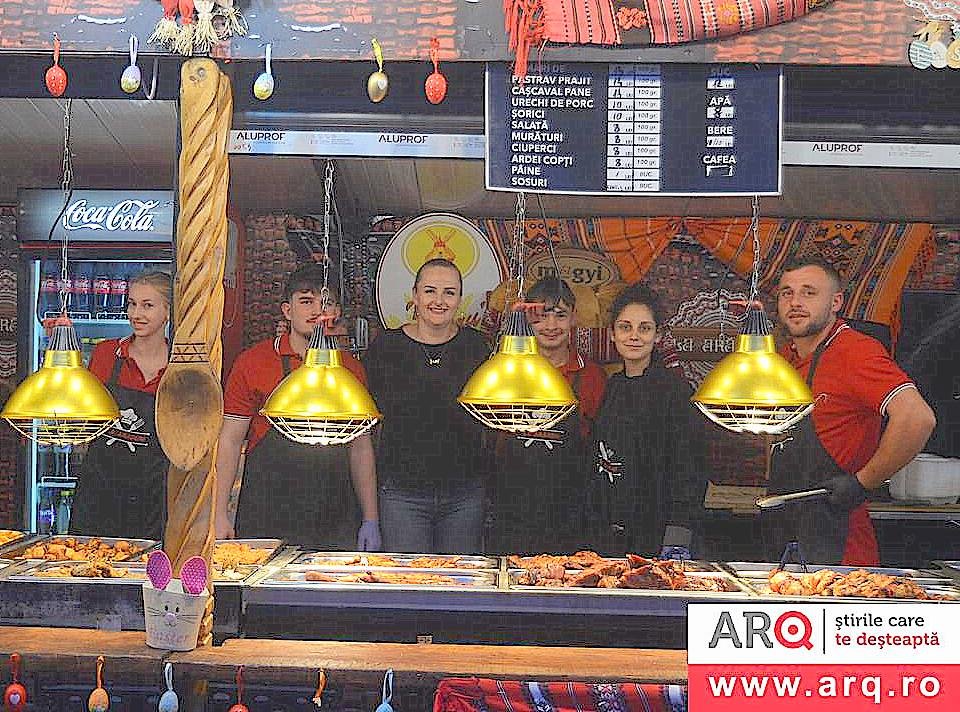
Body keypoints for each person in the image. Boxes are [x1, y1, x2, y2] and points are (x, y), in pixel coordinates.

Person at [763, 257, 936, 565]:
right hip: (786, 534)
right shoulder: (785, 357)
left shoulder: (855, 352)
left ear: (836, 302)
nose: (796, 302)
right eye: (787, 293)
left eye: (809, 292)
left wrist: (862, 483)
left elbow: (917, 418)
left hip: (841, 544)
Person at [214, 264, 380, 551]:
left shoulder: (351, 370)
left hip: (334, 512)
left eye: (326, 302)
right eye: (306, 301)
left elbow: (360, 448)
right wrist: (218, 513)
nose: (317, 310)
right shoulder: (252, 363)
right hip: (267, 509)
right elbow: (229, 440)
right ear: (287, 310)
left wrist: (371, 518)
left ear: (336, 312)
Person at [365, 258, 492, 553]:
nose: (439, 300)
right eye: (430, 291)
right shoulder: (386, 347)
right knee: (409, 580)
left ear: (460, 299)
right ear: (415, 295)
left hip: (465, 495)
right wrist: (369, 515)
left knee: (460, 579)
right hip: (401, 495)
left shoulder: (476, 347)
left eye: (449, 292)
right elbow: (367, 427)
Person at [488, 277, 606, 555]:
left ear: (574, 318)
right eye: (541, 316)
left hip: (571, 519)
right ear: (528, 320)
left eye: (560, 315)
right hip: (512, 514)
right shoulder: (506, 372)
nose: (551, 326)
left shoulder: (592, 377)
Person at [587, 283, 706, 557]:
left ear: (657, 335)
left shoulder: (675, 391)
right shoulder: (613, 386)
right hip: (609, 536)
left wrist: (678, 535)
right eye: (625, 327)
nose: (634, 336)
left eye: (644, 328)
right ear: (613, 334)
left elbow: (690, 469)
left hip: (656, 533)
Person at [71, 270, 173, 540]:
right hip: (99, 493)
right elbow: (84, 416)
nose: (136, 314)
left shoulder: (179, 366)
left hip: (152, 497)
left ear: (167, 312)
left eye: (147, 305)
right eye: (132, 304)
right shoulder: (106, 354)